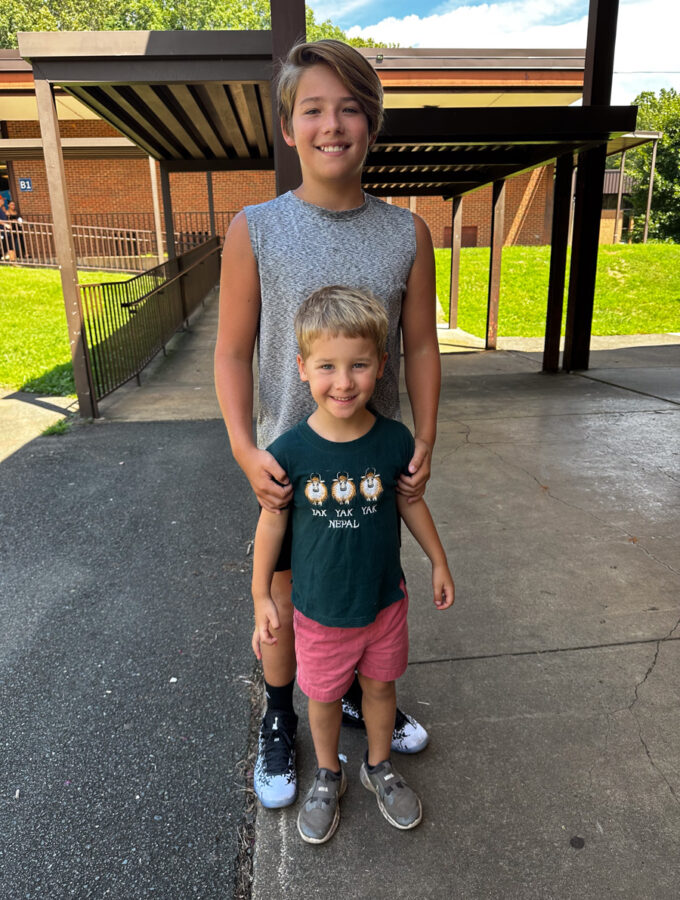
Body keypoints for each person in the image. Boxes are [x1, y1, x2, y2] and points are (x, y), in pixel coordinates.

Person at [214, 39, 441, 809]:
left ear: (371, 123)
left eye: (350, 108)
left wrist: (427, 436)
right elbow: (231, 351)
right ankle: (281, 717)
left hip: (375, 462)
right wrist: (244, 448)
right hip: (290, 463)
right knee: (287, 600)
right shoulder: (256, 229)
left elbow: (421, 346)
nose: (332, 124)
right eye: (313, 109)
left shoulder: (406, 234)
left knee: (369, 586)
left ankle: (355, 689)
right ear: (288, 126)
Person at [251, 285, 455, 843]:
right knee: (321, 700)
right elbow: (271, 525)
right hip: (319, 614)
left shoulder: (394, 441)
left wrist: (438, 561)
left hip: (384, 603)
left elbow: (411, 502)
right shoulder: (289, 452)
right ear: (301, 369)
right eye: (327, 366)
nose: (343, 382)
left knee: (381, 691)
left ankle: (378, 765)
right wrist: (262, 596)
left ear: (382, 366)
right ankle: (328, 774)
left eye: (359, 365)